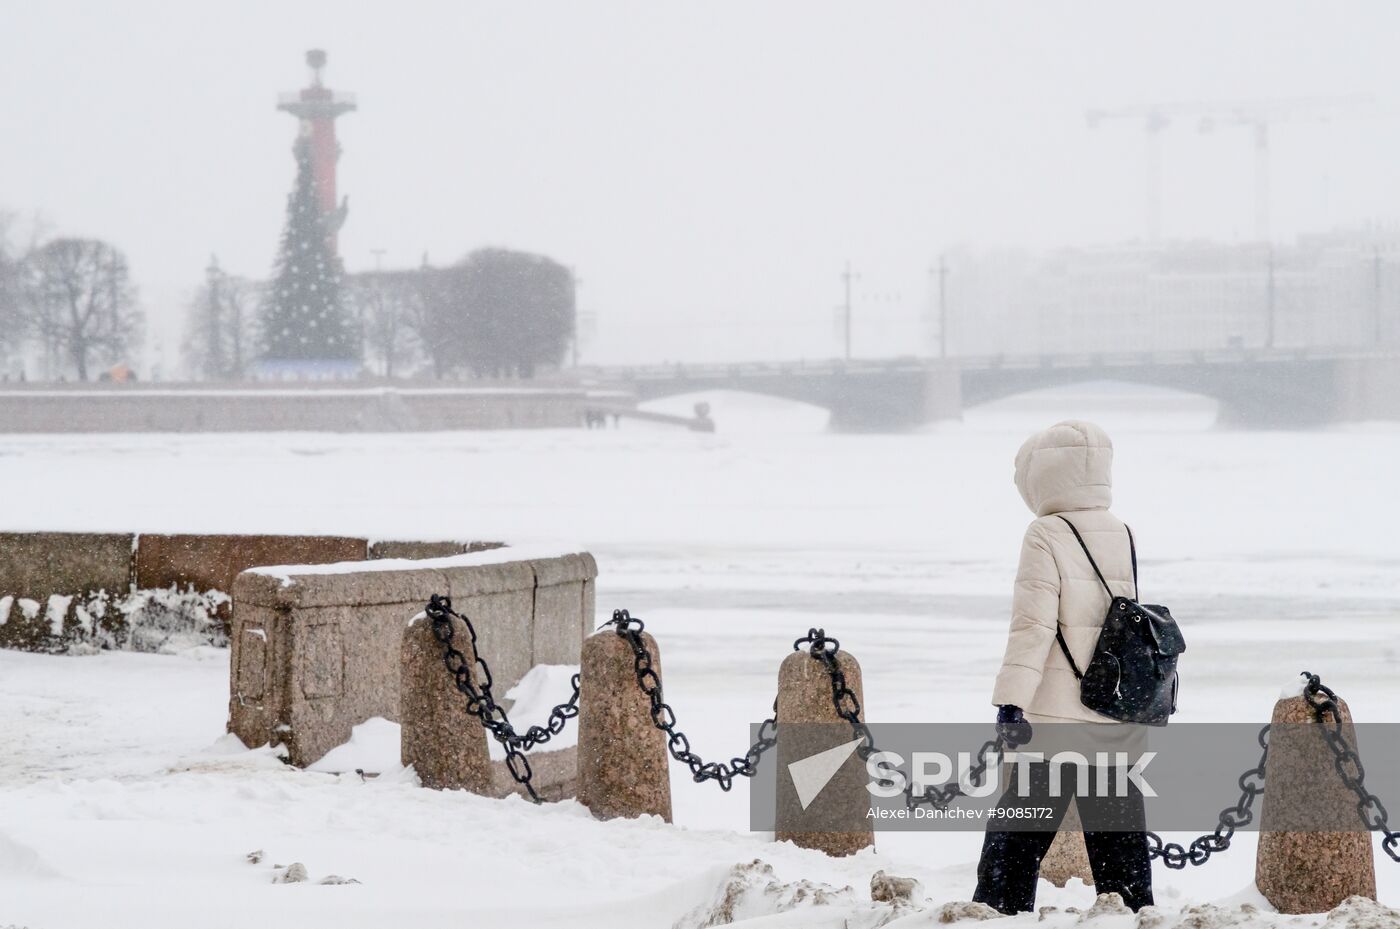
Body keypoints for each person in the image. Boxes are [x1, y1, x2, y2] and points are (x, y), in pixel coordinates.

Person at [971, 420, 1154, 914]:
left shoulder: (1046, 533)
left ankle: (995, 919)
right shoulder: (1122, 531)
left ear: (1044, 474)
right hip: (1112, 706)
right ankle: (1136, 918)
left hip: (1056, 715)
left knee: (1014, 841)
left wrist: (1011, 701)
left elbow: (1033, 626)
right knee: (1119, 845)